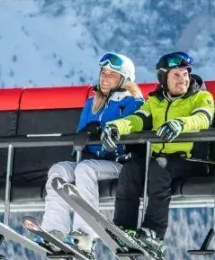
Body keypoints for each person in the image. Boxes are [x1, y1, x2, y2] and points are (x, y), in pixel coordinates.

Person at [110, 51, 214, 256]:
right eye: (176, 75)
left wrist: (180, 123)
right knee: (130, 170)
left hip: (190, 160)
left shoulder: (201, 96)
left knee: (158, 168)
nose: (183, 79)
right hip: (158, 158)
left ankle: (153, 234)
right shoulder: (155, 101)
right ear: (163, 78)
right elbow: (137, 120)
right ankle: (124, 227)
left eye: (185, 74)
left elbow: (203, 118)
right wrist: (115, 127)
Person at [37, 51, 142, 247]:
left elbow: (133, 132)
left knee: (85, 170)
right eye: (103, 72)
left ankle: (84, 235)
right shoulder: (92, 103)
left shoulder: (134, 104)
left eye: (111, 74)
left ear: (123, 79)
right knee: (58, 170)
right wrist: (85, 135)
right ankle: (54, 230)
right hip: (87, 161)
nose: (104, 78)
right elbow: (79, 137)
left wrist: (107, 133)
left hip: (119, 165)